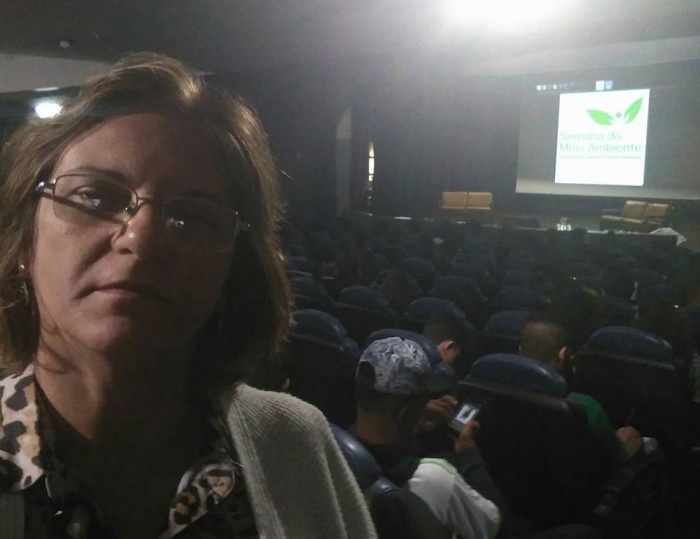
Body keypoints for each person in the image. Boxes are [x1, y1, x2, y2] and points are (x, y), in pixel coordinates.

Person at [0, 53, 375, 538]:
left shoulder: (294, 444)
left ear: (234, 268)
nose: (142, 239)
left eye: (194, 216)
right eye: (95, 195)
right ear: (25, 240)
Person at [352, 336, 507, 539]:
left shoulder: (334, 445)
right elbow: (496, 526)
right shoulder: (434, 479)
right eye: (425, 400)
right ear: (405, 412)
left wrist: (409, 424)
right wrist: (467, 451)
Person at [519, 318, 642, 470]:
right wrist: (626, 444)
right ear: (563, 354)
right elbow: (616, 457)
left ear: (520, 351)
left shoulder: (498, 395)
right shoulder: (584, 406)